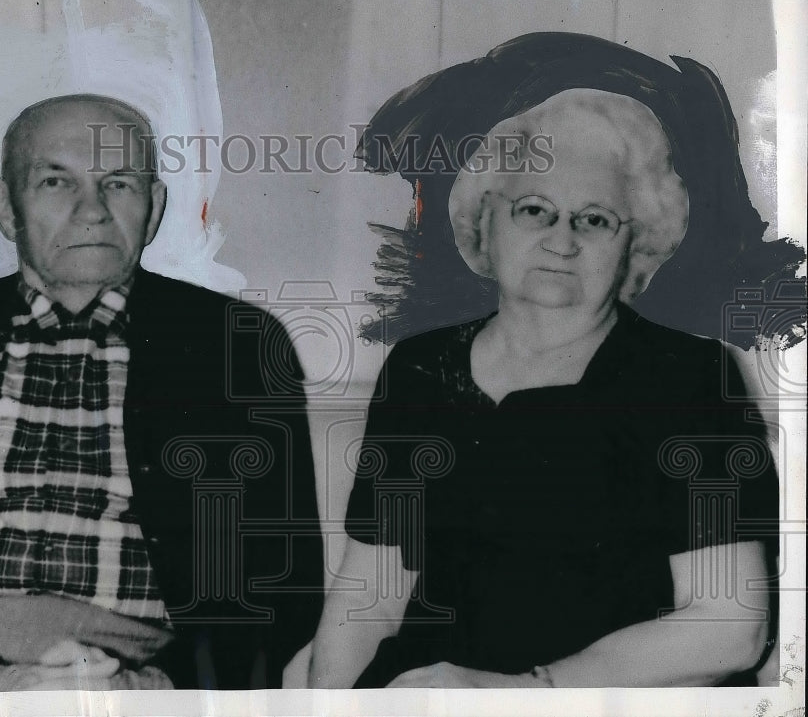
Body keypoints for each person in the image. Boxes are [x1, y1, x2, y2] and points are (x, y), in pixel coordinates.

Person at [0, 94, 323, 692]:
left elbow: (282, 588)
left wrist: (148, 687)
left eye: (118, 183)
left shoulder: (237, 347)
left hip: (139, 671)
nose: (91, 210)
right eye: (53, 182)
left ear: (154, 208)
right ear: (5, 207)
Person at [308, 87, 779, 688]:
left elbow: (731, 626)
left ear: (633, 245)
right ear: (487, 220)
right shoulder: (419, 369)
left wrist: (525, 691)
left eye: (596, 219)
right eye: (534, 209)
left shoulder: (685, 377)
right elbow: (366, 602)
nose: (563, 239)